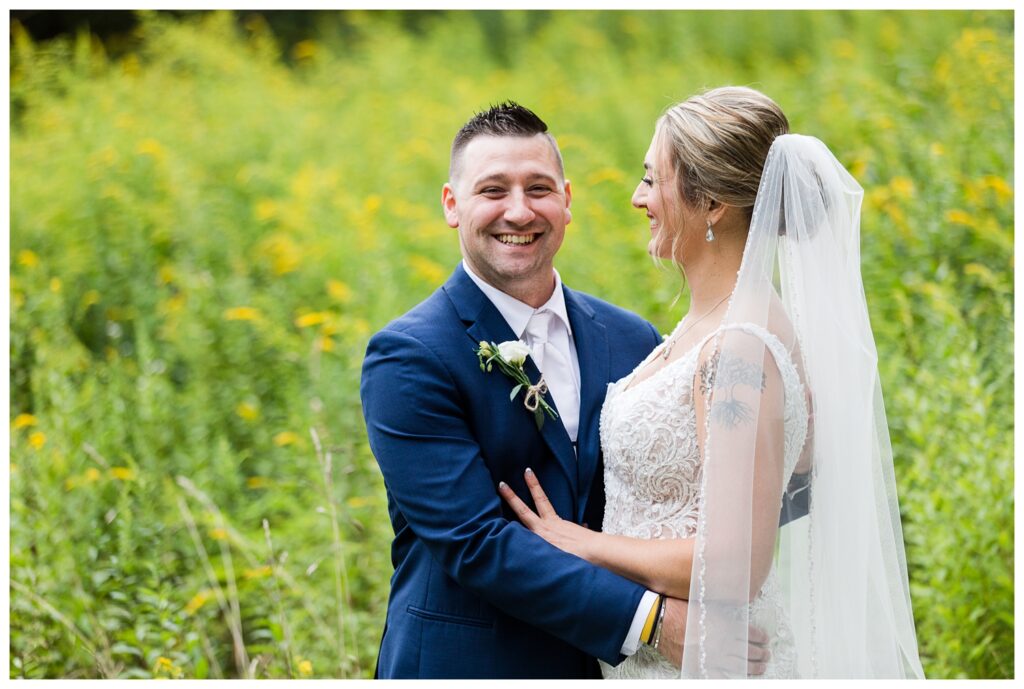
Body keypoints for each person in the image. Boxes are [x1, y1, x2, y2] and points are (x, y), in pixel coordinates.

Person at [500, 87, 925, 678]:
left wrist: (583, 544)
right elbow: (792, 488)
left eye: (653, 180)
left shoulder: (740, 348)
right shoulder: (716, 327)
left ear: (714, 204)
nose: (637, 198)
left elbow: (734, 564)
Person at [360, 102, 696, 678]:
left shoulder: (629, 336)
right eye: (493, 189)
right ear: (451, 204)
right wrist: (651, 621)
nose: (519, 211)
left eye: (538, 188)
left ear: (566, 201)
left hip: (609, 671)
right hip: (470, 665)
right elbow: (475, 541)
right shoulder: (409, 355)